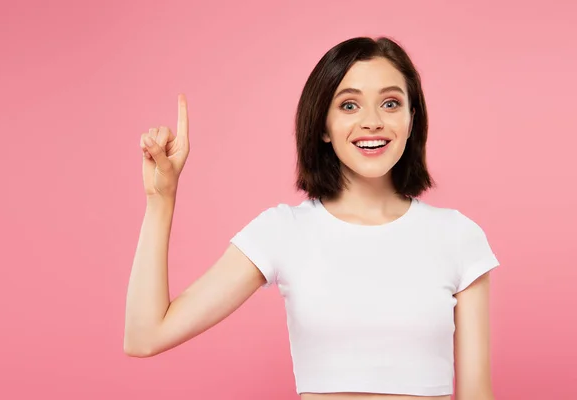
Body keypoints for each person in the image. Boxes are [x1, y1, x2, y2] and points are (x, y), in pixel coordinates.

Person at [124, 36, 500, 400]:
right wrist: (161, 200)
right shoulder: (284, 231)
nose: (372, 122)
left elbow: (476, 394)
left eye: (390, 103)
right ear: (322, 125)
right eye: (349, 105)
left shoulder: (457, 236)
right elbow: (145, 337)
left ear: (411, 118)